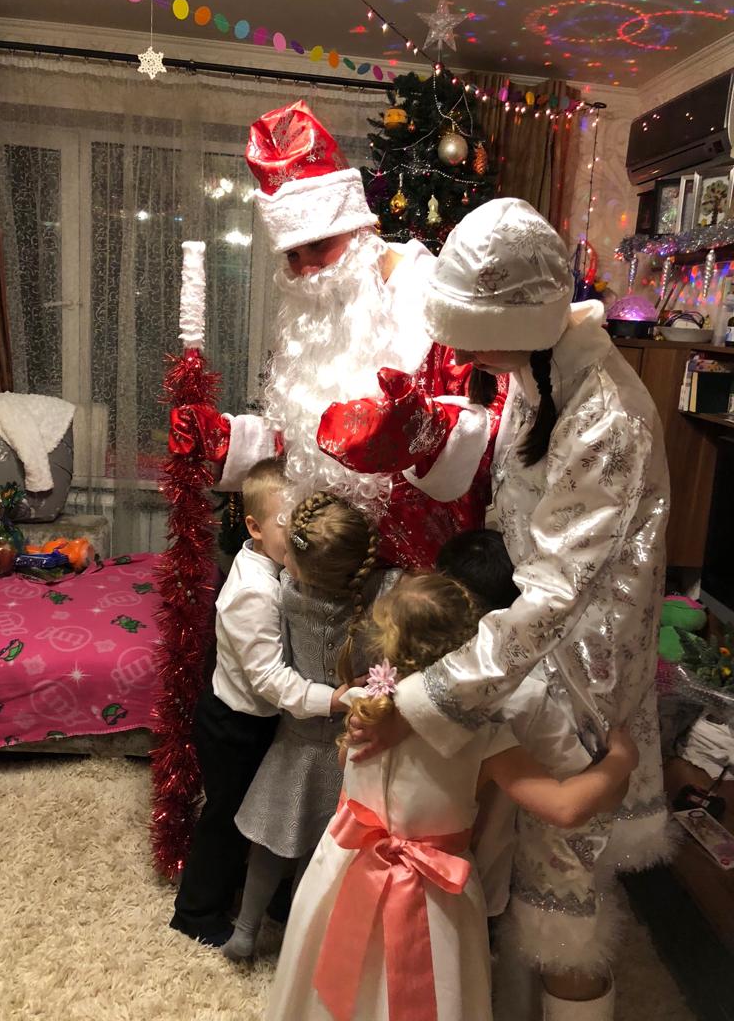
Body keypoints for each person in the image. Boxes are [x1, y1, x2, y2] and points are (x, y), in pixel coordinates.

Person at [332, 198, 671, 1021]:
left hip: (579, 682)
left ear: (521, 320)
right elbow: (515, 527)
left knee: (563, 905)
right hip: (524, 656)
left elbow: (558, 590)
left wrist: (426, 695)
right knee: (507, 874)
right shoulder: (537, 373)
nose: (458, 353)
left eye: (471, 332)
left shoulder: (607, 414)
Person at [264, 572, 639, 1021]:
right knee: (428, 989)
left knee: (338, 984)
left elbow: (347, 764)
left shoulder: (365, 703)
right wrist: (622, 761)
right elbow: (565, 807)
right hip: (432, 892)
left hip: (342, 866)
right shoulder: (482, 735)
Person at [169, 100, 507, 570]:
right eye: (293, 255)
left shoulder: (439, 311)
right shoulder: (319, 318)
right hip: (327, 569)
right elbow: (307, 447)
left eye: (318, 247)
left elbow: (501, 435)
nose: (307, 270)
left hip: (422, 576)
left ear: (359, 229)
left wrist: (421, 432)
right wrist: (229, 442)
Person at [169, 459, 347, 947]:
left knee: (254, 812)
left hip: (255, 720)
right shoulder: (255, 591)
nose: (301, 536)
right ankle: (196, 911)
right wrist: (331, 699)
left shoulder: (276, 570)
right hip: (234, 724)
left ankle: (259, 893)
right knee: (228, 817)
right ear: (254, 527)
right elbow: (269, 678)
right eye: (289, 525)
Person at [221, 491, 399, 961]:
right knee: (324, 856)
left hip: (297, 742)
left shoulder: (286, 591)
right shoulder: (385, 592)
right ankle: (300, 945)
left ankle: (245, 930)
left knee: (270, 844)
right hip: (350, 750)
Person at [436, 529, 593, 928]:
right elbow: (571, 772)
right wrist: (621, 763)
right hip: (478, 868)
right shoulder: (530, 693)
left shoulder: (412, 669)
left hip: (402, 858)